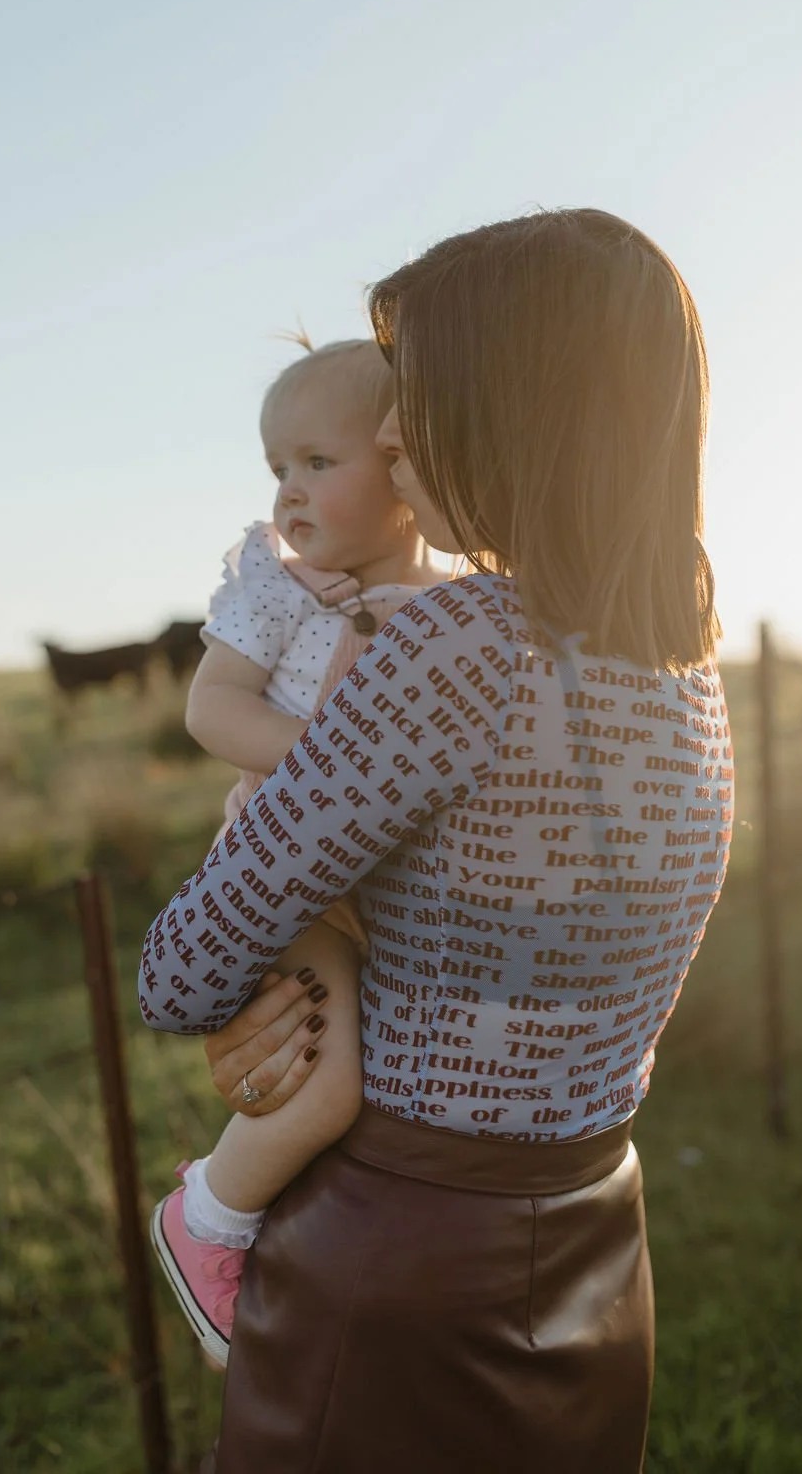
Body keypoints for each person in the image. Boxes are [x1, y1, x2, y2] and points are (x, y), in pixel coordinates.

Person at [139, 208, 734, 1474]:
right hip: (593, 1235)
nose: (395, 437)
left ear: (520, 405)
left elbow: (180, 975)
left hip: (398, 1260)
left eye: (423, 396)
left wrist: (303, 985)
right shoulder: (684, 655)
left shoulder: (455, 640)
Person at [148, 338, 444, 1368]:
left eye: (318, 463)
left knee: (402, 1075)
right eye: (278, 469)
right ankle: (208, 1221)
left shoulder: (451, 599)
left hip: (397, 883)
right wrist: (330, 770)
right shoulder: (279, 589)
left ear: (407, 470)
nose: (290, 492)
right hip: (290, 876)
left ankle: (334, 1260)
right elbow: (210, 708)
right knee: (324, 1082)